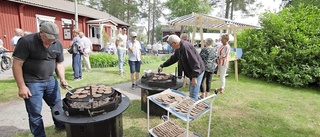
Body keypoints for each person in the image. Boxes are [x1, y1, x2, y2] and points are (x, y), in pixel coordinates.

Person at [12, 22, 68, 136]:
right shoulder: (26, 41)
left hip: (51, 81)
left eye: (54, 38)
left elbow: (60, 63)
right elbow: (17, 65)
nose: (51, 41)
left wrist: (62, 78)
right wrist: (22, 86)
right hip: (32, 83)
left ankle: (60, 125)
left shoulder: (57, 44)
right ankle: (39, 135)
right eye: (48, 38)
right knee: (35, 112)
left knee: (57, 106)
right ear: (41, 33)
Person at [158, 35, 205, 100]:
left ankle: (193, 108)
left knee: (193, 95)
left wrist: (194, 77)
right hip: (193, 72)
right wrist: (163, 65)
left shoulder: (186, 48)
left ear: (175, 43)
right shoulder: (178, 48)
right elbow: (173, 59)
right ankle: (192, 106)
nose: (171, 47)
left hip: (197, 72)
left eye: (171, 45)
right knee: (192, 92)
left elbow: (195, 63)